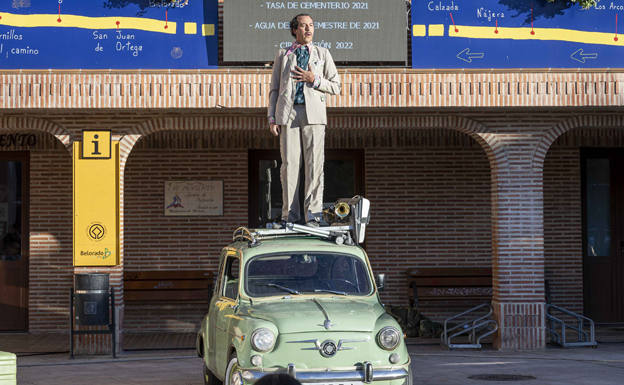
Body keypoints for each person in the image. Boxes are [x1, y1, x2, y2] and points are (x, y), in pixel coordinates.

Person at [268, 13, 341, 226]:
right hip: (288, 114)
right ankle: (289, 216)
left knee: (314, 165)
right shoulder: (283, 55)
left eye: (311, 26)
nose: (308, 30)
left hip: (314, 114)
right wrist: (272, 117)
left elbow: (336, 86)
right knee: (289, 165)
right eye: (303, 26)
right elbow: (274, 89)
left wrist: (314, 79)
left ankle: (313, 216)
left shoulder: (323, 53)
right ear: (294, 30)